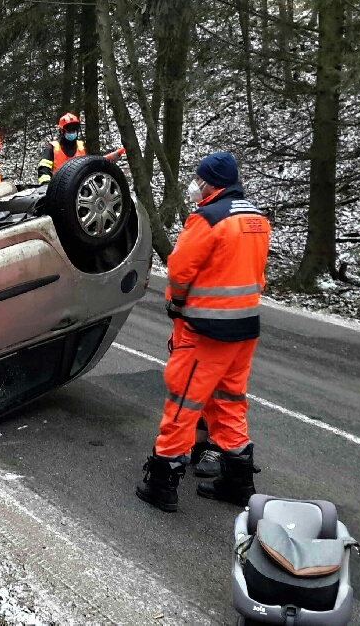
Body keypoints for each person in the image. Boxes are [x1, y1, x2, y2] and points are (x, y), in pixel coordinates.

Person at [135, 152, 271, 513]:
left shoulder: (207, 219)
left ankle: (162, 481)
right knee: (229, 403)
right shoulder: (257, 220)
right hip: (244, 331)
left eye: (200, 179)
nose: (195, 185)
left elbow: (180, 271)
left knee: (184, 404)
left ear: (213, 183)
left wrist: (176, 305)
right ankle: (239, 481)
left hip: (206, 332)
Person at [36, 112, 86, 184]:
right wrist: (46, 185)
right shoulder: (52, 148)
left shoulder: (82, 147)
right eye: (69, 131)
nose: (72, 133)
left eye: (74, 130)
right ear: (62, 131)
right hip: (58, 189)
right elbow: (43, 170)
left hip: (79, 189)